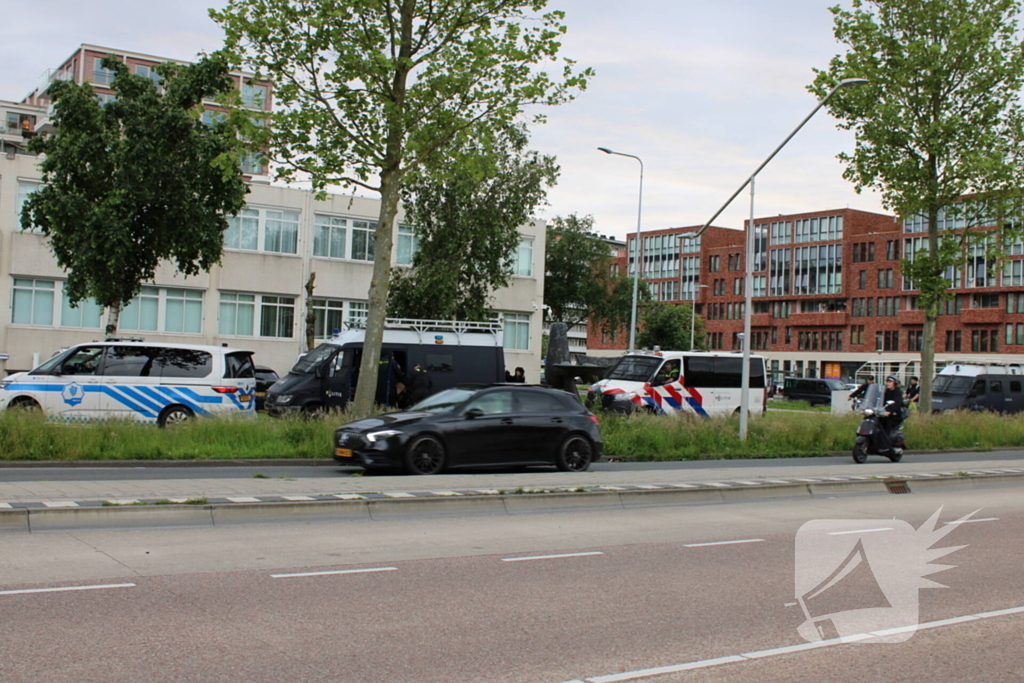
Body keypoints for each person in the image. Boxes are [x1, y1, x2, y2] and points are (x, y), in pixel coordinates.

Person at [880, 375, 906, 447]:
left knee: (887, 425)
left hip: (894, 415)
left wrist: (889, 411)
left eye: (890, 381)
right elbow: (879, 400)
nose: (888, 383)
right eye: (887, 381)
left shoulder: (898, 392)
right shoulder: (885, 391)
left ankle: (887, 444)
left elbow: (897, 404)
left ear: (895, 383)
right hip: (883, 414)